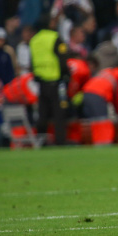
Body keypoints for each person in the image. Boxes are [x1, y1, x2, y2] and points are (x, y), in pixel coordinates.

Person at [30, 16, 70, 146]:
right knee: (59, 113)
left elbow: (32, 62)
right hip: (55, 80)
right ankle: (60, 141)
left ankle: (40, 141)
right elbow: (62, 58)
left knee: (43, 114)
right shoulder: (55, 37)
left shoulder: (34, 40)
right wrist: (66, 74)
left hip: (41, 81)